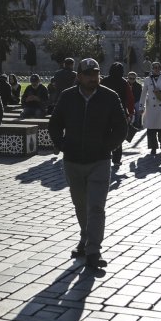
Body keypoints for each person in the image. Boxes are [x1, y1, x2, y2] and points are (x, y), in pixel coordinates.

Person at [48, 58, 128, 269]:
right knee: (81, 205)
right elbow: (54, 124)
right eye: (89, 74)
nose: (94, 78)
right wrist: (63, 145)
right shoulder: (67, 97)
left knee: (96, 207)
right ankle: (85, 238)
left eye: (96, 73)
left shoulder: (109, 97)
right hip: (73, 161)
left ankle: (94, 251)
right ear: (79, 76)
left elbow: (121, 127)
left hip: (99, 161)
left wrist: (106, 147)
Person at [139, 62, 161, 155]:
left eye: (158, 67)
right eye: (154, 67)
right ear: (152, 69)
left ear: (160, 68)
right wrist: (141, 107)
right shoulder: (147, 80)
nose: (156, 69)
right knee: (150, 129)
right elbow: (143, 94)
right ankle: (153, 147)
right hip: (150, 107)